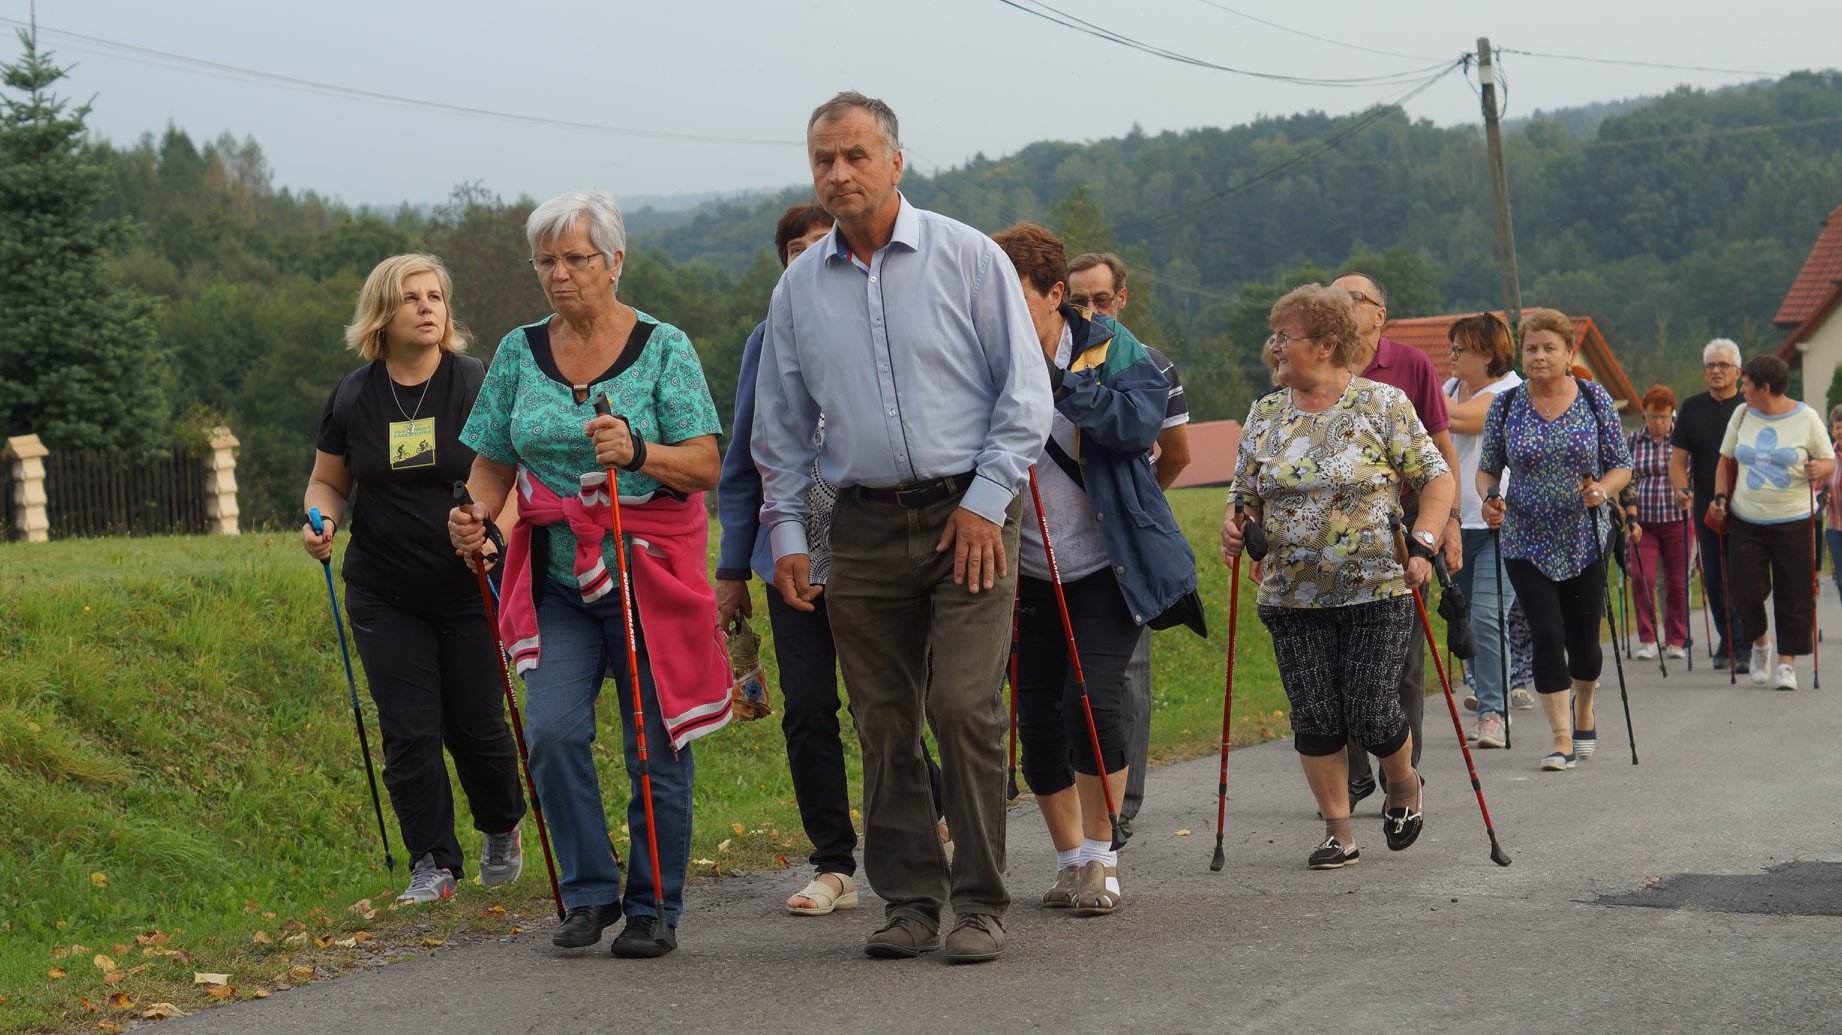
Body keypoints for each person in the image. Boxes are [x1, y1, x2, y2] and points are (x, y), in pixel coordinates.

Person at [754, 91, 1052, 964]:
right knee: (883, 718)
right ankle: (911, 900)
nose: (838, 172)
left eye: (855, 154)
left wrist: (986, 498)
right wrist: (788, 537)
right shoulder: (798, 288)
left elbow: (1025, 392)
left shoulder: (967, 256)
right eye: (823, 159)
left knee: (961, 704)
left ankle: (981, 901)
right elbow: (779, 427)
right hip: (863, 524)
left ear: (894, 159)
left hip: (973, 513)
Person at [448, 189, 728, 959]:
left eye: (574, 258)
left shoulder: (664, 347)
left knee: (653, 746)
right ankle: (589, 889)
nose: (559, 274)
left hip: (646, 574)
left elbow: (705, 463)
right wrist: (474, 514)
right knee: (551, 731)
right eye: (545, 261)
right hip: (558, 581)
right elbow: (492, 462)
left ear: (614, 261)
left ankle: (653, 906)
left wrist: (639, 450)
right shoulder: (518, 351)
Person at [714, 202, 949, 917]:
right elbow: (747, 456)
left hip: (875, 547)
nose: (812, 257)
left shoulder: (886, 319)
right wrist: (732, 568)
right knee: (809, 707)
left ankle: (941, 813)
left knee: (889, 704)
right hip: (789, 556)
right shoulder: (767, 337)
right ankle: (833, 862)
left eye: (824, 243)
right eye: (797, 249)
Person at [301, 253, 527, 907]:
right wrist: (320, 521)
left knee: (477, 726)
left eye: (435, 296)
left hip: (468, 587)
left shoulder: (476, 381)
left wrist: (495, 537)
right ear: (382, 313)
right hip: (384, 591)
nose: (428, 307)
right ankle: (432, 862)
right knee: (409, 729)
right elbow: (328, 482)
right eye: (411, 297)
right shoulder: (353, 396)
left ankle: (500, 824)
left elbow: (515, 477)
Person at [993, 223, 1198, 913]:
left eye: (1015, 296)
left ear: (1056, 294)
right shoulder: (982, 353)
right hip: (1024, 567)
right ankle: (1068, 859)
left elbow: (1137, 428)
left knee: (1090, 696)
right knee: (1037, 718)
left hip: (1105, 563)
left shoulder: (1114, 348)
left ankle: (1103, 855)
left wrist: (1056, 384)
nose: (998, 310)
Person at [1222, 283, 1452, 868]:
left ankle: (1402, 782)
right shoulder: (1265, 413)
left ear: (1326, 345)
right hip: (1291, 595)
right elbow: (1244, 495)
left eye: (1286, 337)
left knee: (1372, 708)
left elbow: (1436, 478)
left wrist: (1425, 543)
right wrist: (1237, 526)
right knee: (1315, 716)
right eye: (1274, 336)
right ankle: (1338, 832)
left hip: (1376, 587)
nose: (1275, 347)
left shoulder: (1382, 405)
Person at [1065, 250, 1190, 841]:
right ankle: (1086, 802)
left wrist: (1134, 507)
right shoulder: (1054, 357)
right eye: (1078, 301)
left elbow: (1178, 454)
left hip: (1124, 548)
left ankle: (1124, 806)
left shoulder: (1150, 363)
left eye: (1101, 299)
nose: (1091, 311)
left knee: (1125, 680)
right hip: (1056, 544)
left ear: (1122, 297)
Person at [1327, 272, 1462, 808]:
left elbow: (1441, 451)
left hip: (1401, 523)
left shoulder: (1412, 364)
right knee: (1336, 655)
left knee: (1401, 655)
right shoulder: (1321, 362)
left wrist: (1448, 523)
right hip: (1330, 529)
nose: (1338, 306)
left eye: (1351, 299)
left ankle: (1401, 778)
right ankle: (1352, 775)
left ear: (1379, 313)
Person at [1478, 309, 1632, 772]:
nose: (1539, 356)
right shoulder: (1506, 405)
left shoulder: (1594, 398)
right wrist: (1490, 498)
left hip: (1584, 536)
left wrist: (1602, 490)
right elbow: (1488, 468)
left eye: (1549, 348)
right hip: (1524, 537)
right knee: (1547, 633)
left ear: (1568, 353)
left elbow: (1621, 464)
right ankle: (1561, 737)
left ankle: (1585, 707)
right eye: (1531, 348)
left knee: (1584, 641)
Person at [1709, 355, 1835, 689]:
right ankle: (1761, 644)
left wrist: (1819, 468)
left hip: (1794, 520)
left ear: (1764, 388)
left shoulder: (1806, 418)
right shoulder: (1742, 413)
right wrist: (1719, 498)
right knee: (1745, 590)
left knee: (1793, 592)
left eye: (1746, 385)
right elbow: (1724, 462)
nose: (1742, 390)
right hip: (1747, 519)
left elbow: (1829, 461)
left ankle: (1787, 664)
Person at [1440, 313, 1522, 747]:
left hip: (1497, 524)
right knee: (1465, 618)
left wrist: (1409, 391)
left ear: (1487, 354)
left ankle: (1494, 712)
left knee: (1488, 617)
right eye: (1452, 347)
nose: (1452, 356)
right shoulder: (1450, 388)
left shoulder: (1508, 393)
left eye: (1461, 349)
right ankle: (1485, 689)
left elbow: (1456, 420)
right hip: (1452, 524)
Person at [1670, 339, 1745, 670]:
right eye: (1711, 365)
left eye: (1723, 365)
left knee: (1740, 578)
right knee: (1714, 581)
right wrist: (1681, 488)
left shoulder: (1749, 407)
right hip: (1705, 507)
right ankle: (1729, 640)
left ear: (1738, 372)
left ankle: (1743, 644)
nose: (1716, 370)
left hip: (1747, 508)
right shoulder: (1691, 408)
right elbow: (1677, 461)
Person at [1625, 386, 1691, 661]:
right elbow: (1625, 475)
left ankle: (1676, 638)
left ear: (1671, 414)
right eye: (1653, 417)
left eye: (1663, 417)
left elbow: (1692, 471)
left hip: (1677, 520)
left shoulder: (1681, 438)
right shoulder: (1633, 440)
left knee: (1676, 581)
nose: (1658, 423)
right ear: (1644, 414)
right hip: (1643, 522)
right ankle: (1648, 637)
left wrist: (1688, 493)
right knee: (1642, 577)